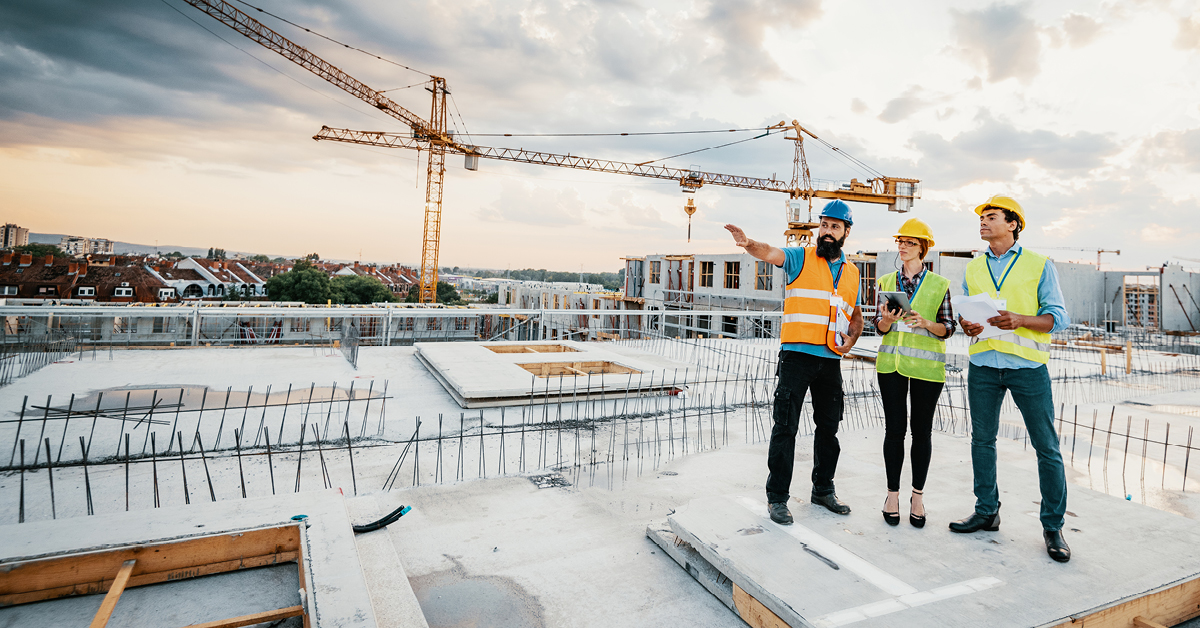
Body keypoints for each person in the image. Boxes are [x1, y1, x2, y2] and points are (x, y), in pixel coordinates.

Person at [724, 199, 864, 524]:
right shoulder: (800, 257)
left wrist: (852, 338)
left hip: (830, 360)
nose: (827, 231)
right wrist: (748, 245)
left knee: (829, 428)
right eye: (824, 225)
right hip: (796, 358)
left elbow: (854, 314)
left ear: (845, 232)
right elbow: (770, 252)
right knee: (785, 427)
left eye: (835, 227)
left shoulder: (852, 273)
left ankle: (823, 490)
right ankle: (777, 498)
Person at [949, 195, 1072, 563]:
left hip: (1028, 368)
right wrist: (966, 325)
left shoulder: (1039, 265)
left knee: (1046, 447)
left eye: (991, 217)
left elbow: (1058, 317)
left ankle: (1053, 526)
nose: (983, 222)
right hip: (984, 364)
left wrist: (1021, 319)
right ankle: (987, 511)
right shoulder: (973, 268)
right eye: (982, 218)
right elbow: (968, 315)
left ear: (1013, 224)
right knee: (981, 441)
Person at [874, 218, 955, 528]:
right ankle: (892, 495)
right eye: (901, 241)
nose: (903, 246)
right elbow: (878, 328)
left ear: (923, 247)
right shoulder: (885, 281)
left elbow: (948, 328)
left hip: (927, 369)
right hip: (891, 366)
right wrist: (885, 320)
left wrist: (927, 324)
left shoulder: (939, 284)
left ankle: (917, 497)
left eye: (909, 242)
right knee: (894, 431)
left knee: (921, 433)